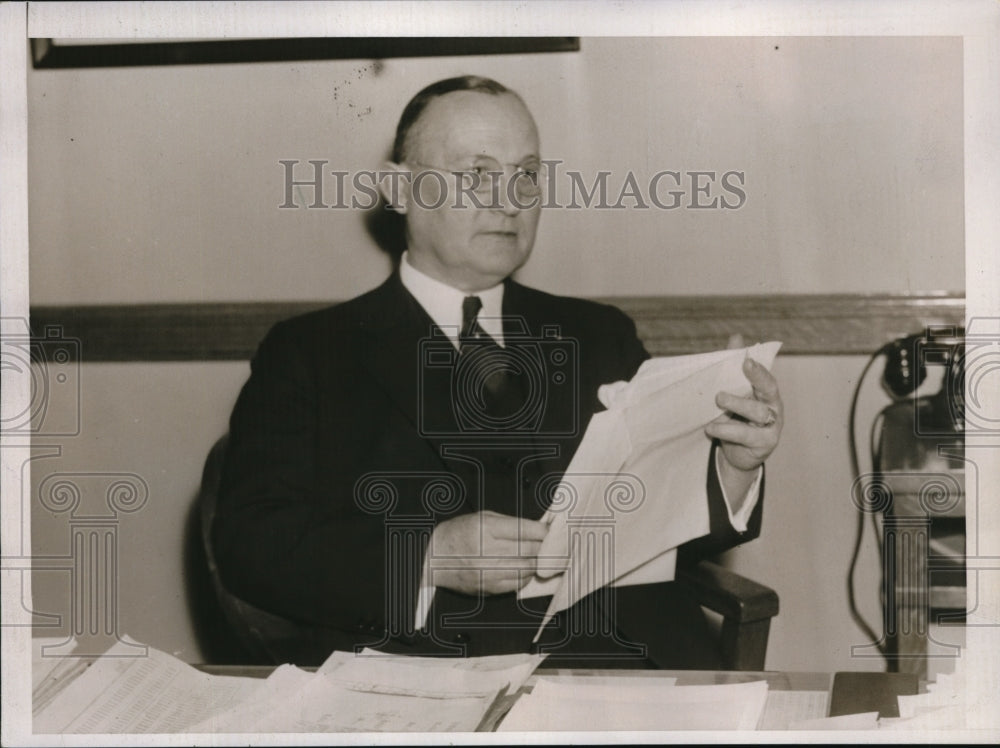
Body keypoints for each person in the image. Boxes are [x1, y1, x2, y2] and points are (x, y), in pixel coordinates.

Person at [212, 75, 783, 668]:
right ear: (398, 190)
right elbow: (251, 546)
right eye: (476, 174)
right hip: (424, 681)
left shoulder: (598, 333)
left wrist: (731, 464)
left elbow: (667, 531)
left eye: (527, 175)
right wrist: (427, 557)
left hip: (626, 670)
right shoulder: (309, 352)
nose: (508, 200)